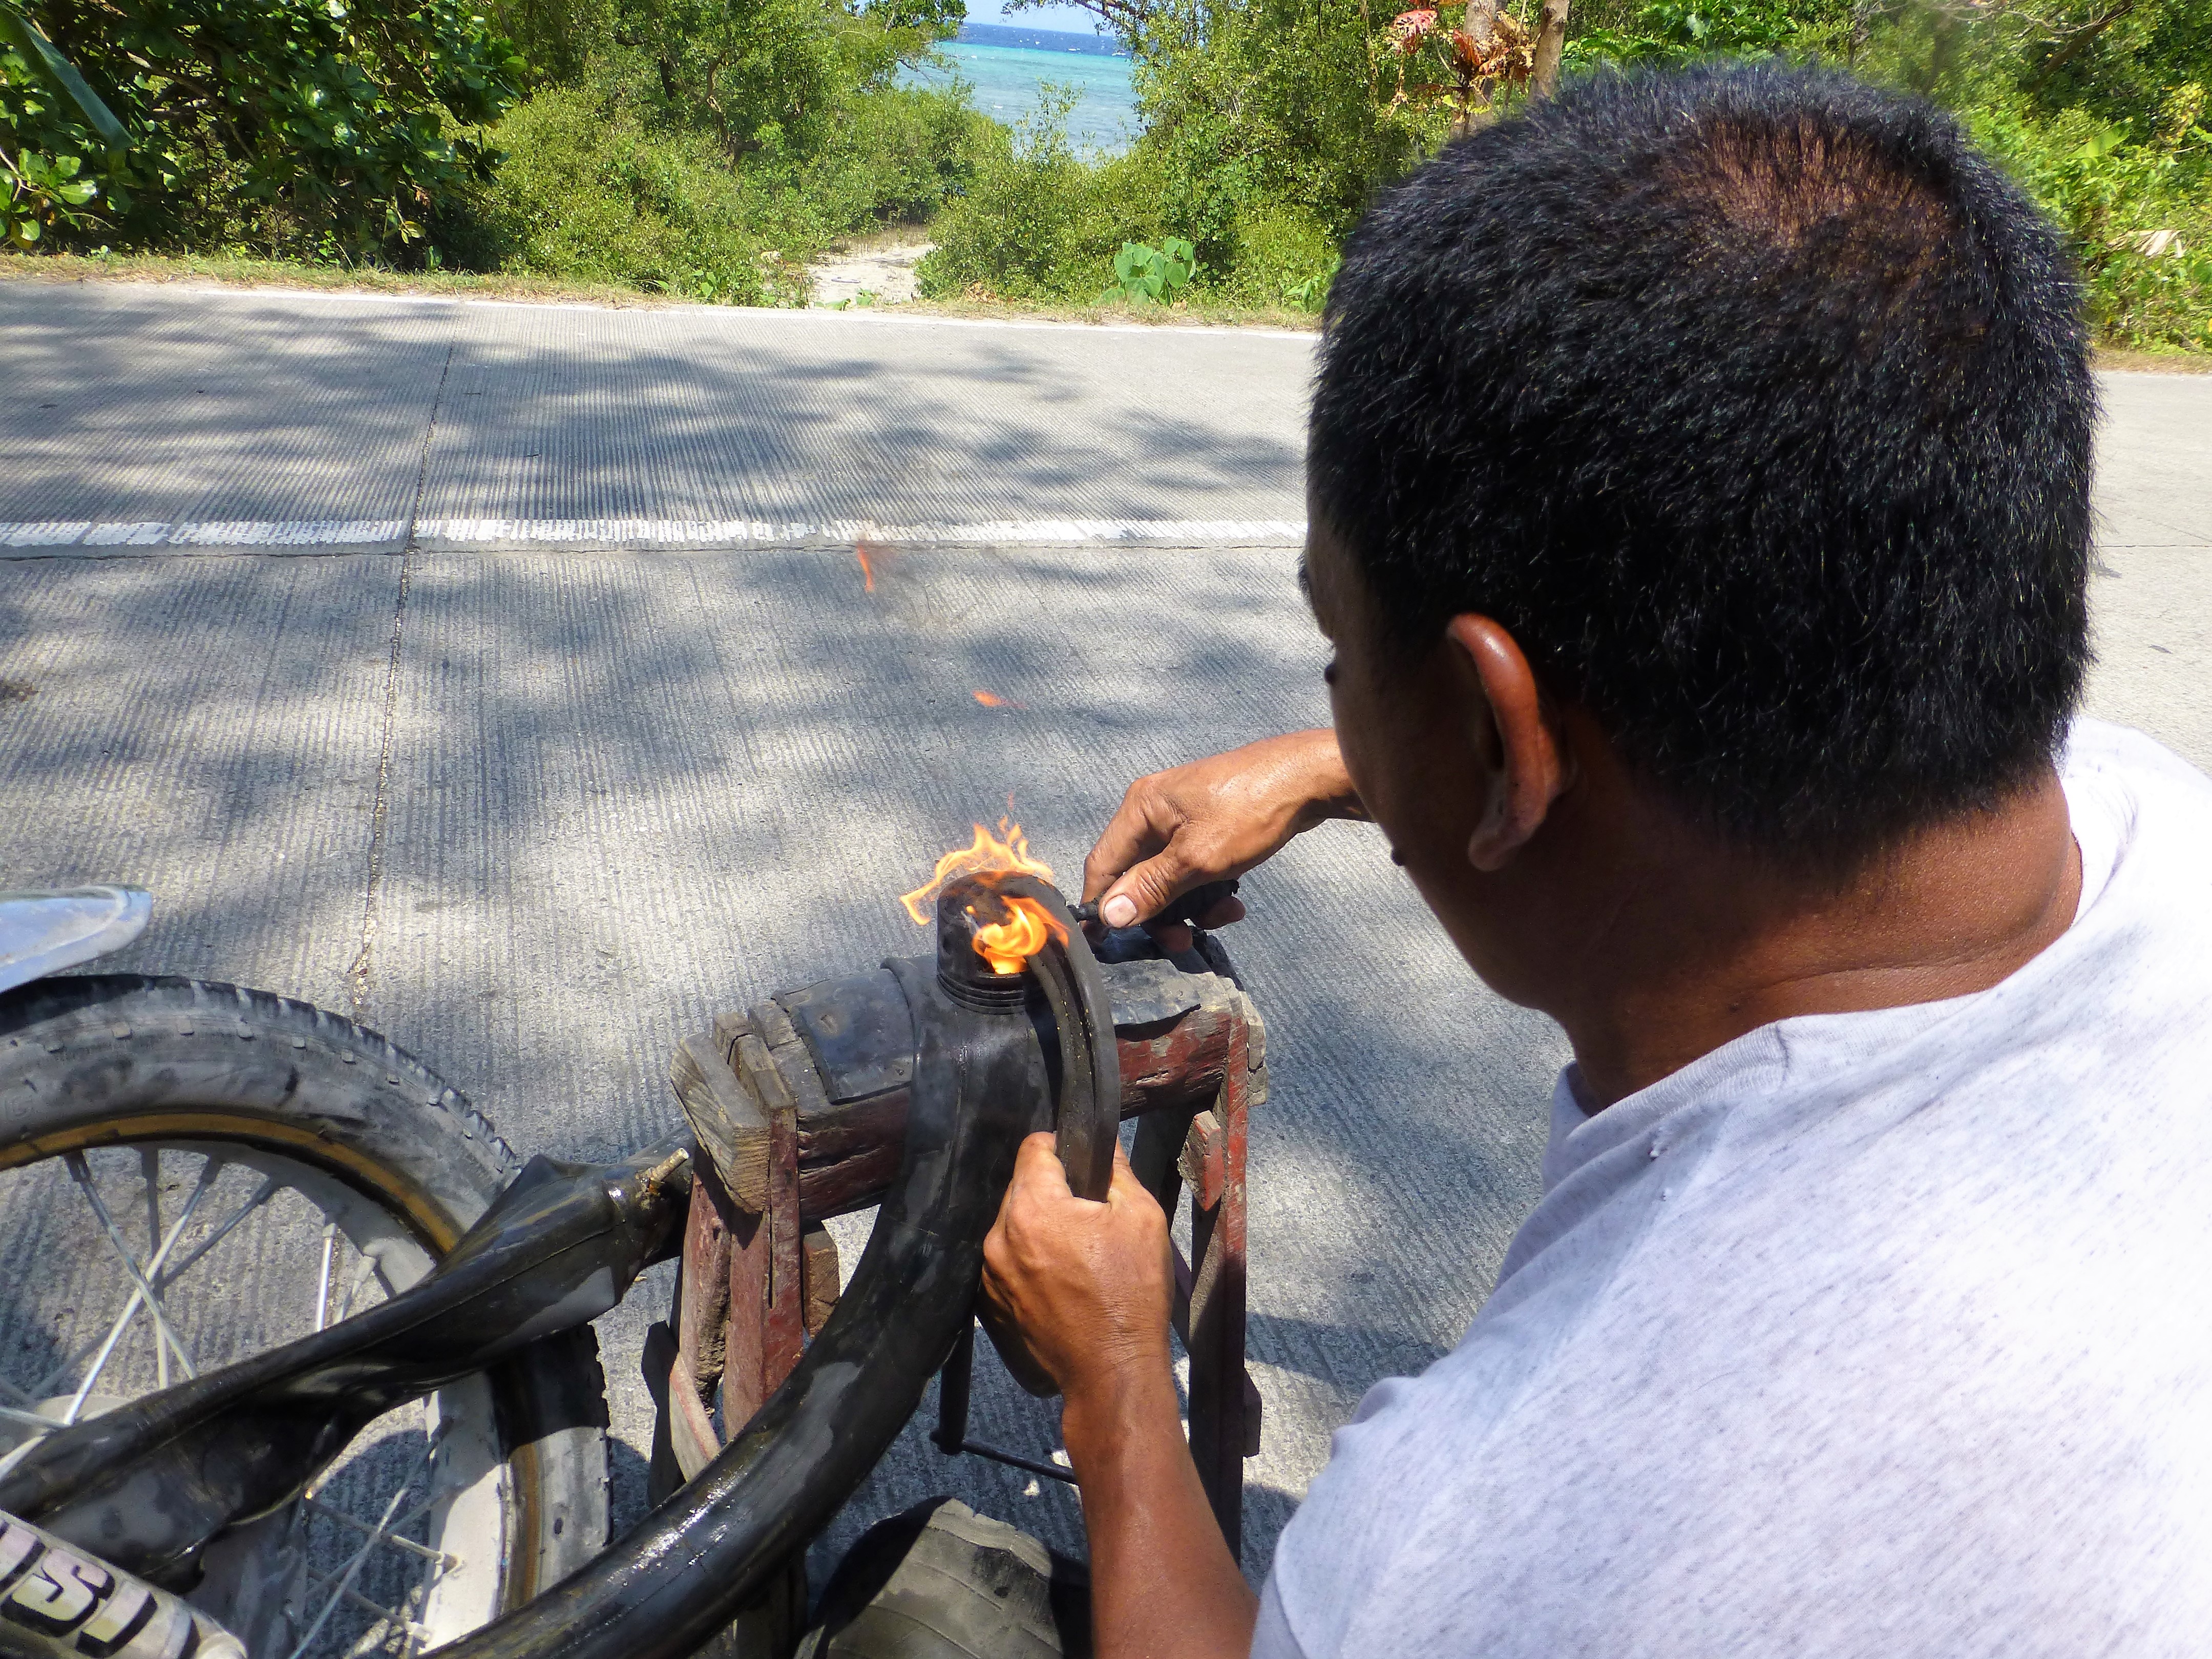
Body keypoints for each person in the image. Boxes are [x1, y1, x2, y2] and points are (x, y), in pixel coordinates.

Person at [970, 58, 2212, 1659]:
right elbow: (1790, 659)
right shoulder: (2149, 815)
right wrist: (1360, 762)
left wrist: (1117, 1388)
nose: (1333, 696)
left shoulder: (1480, 1554)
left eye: (1341, 652)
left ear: (1504, 746)